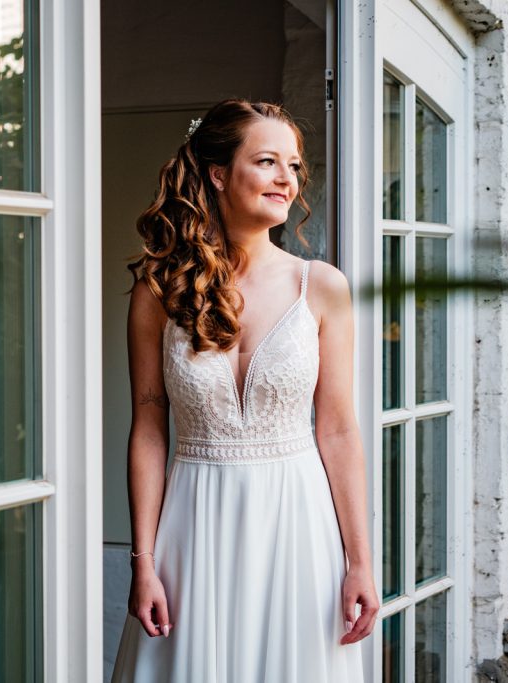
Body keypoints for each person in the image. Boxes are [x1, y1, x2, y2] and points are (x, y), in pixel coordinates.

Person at [110, 99, 378, 682]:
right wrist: (144, 562)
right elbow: (149, 428)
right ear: (218, 173)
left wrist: (360, 560)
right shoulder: (159, 291)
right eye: (267, 161)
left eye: (295, 166)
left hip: (298, 522)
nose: (287, 179)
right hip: (193, 525)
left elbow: (337, 430)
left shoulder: (322, 287)